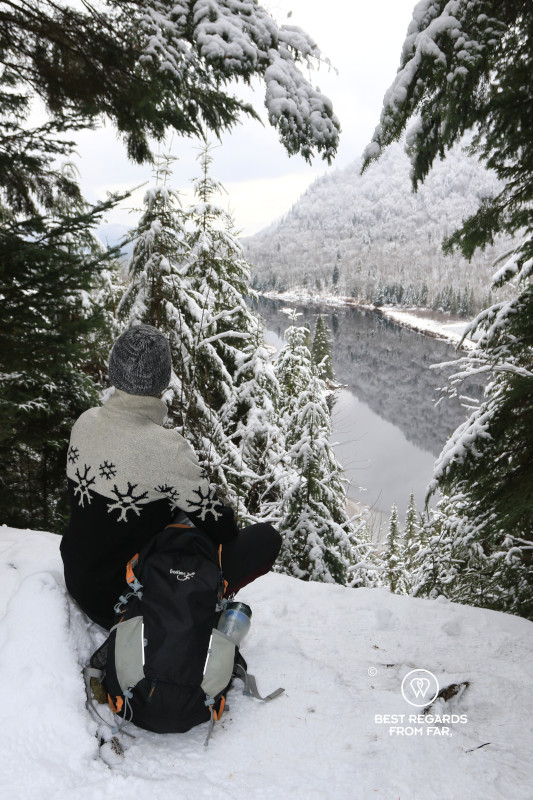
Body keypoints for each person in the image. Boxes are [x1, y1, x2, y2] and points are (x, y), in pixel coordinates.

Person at [60, 324, 281, 629]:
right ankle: (205, 604)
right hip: (123, 602)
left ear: (114, 370)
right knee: (264, 539)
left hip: (79, 582)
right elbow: (222, 528)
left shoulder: (84, 422)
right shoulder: (167, 448)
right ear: (162, 379)